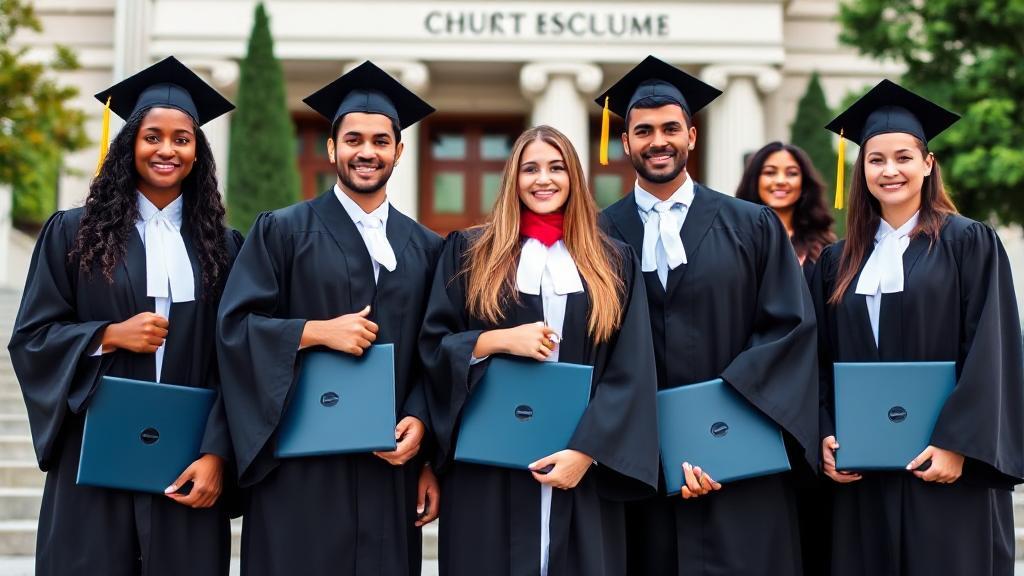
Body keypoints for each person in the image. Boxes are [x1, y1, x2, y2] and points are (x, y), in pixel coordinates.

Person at [8, 56, 241, 575]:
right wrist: (108, 335)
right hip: (96, 451)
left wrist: (218, 454)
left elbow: (239, 361)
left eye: (182, 139)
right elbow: (31, 338)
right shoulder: (75, 234)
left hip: (187, 455)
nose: (167, 150)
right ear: (129, 144)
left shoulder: (222, 248)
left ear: (197, 153)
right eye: (152, 136)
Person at [216, 61, 443, 576]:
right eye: (355, 139)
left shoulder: (428, 249)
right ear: (332, 148)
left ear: (399, 151)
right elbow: (234, 329)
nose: (368, 152)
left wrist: (424, 428)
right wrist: (312, 332)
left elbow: (438, 351)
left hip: (389, 466)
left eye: (382, 141)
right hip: (300, 465)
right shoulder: (283, 231)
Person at [597, 55, 818, 576]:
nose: (659, 141)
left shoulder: (751, 225)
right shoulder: (598, 234)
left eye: (671, 128)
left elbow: (788, 328)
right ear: (624, 141)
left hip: (739, 459)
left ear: (692, 136)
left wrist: (714, 432)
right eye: (643, 130)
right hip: (636, 469)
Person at [419, 125, 659, 576]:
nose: (543, 179)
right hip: (490, 465)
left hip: (581, 463)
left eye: (556, 168)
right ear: (513, 178)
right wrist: (497, 340)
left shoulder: (612, 262)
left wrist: (586, 453)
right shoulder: (471, 252)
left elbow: (631, 369)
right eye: (530, 168)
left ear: (574, 178)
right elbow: (434, 345)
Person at [814, 79, 1023, 576]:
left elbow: (991, 349)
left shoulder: (969, 243)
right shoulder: (836, 261)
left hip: (946, 472)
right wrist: (823, 433)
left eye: (904, 157)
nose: (890, 171)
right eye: (876, 159)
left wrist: (959, 444)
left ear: (928, 164)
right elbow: (817, 358)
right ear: (860, 169)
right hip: (863, 474)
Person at [735, 141, 836, 278]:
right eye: (770, 172)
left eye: (791, 173)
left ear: (804, 182)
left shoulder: (822, 244)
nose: (781, 181)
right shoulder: (735, 238)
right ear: (754, 180)